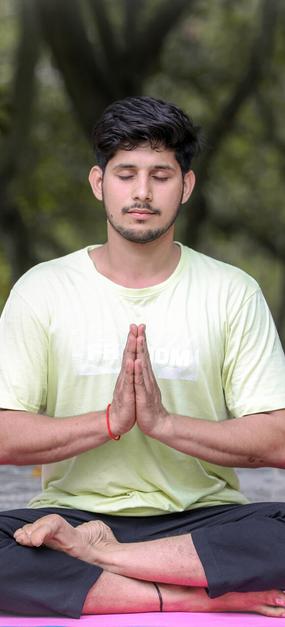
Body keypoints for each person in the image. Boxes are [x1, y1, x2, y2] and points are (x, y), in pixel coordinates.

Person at [0, 96, 285, 619]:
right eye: (126, 173)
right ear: (98, 183)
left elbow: (279, 440)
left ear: (187, 186)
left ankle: (107, 559)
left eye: (161, 174)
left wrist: (164, 424)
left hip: (204, 520)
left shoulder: (231, 291)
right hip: (70, 516)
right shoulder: (42, 289)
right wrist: (110, 422)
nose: (142, 192)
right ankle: (179, 593)